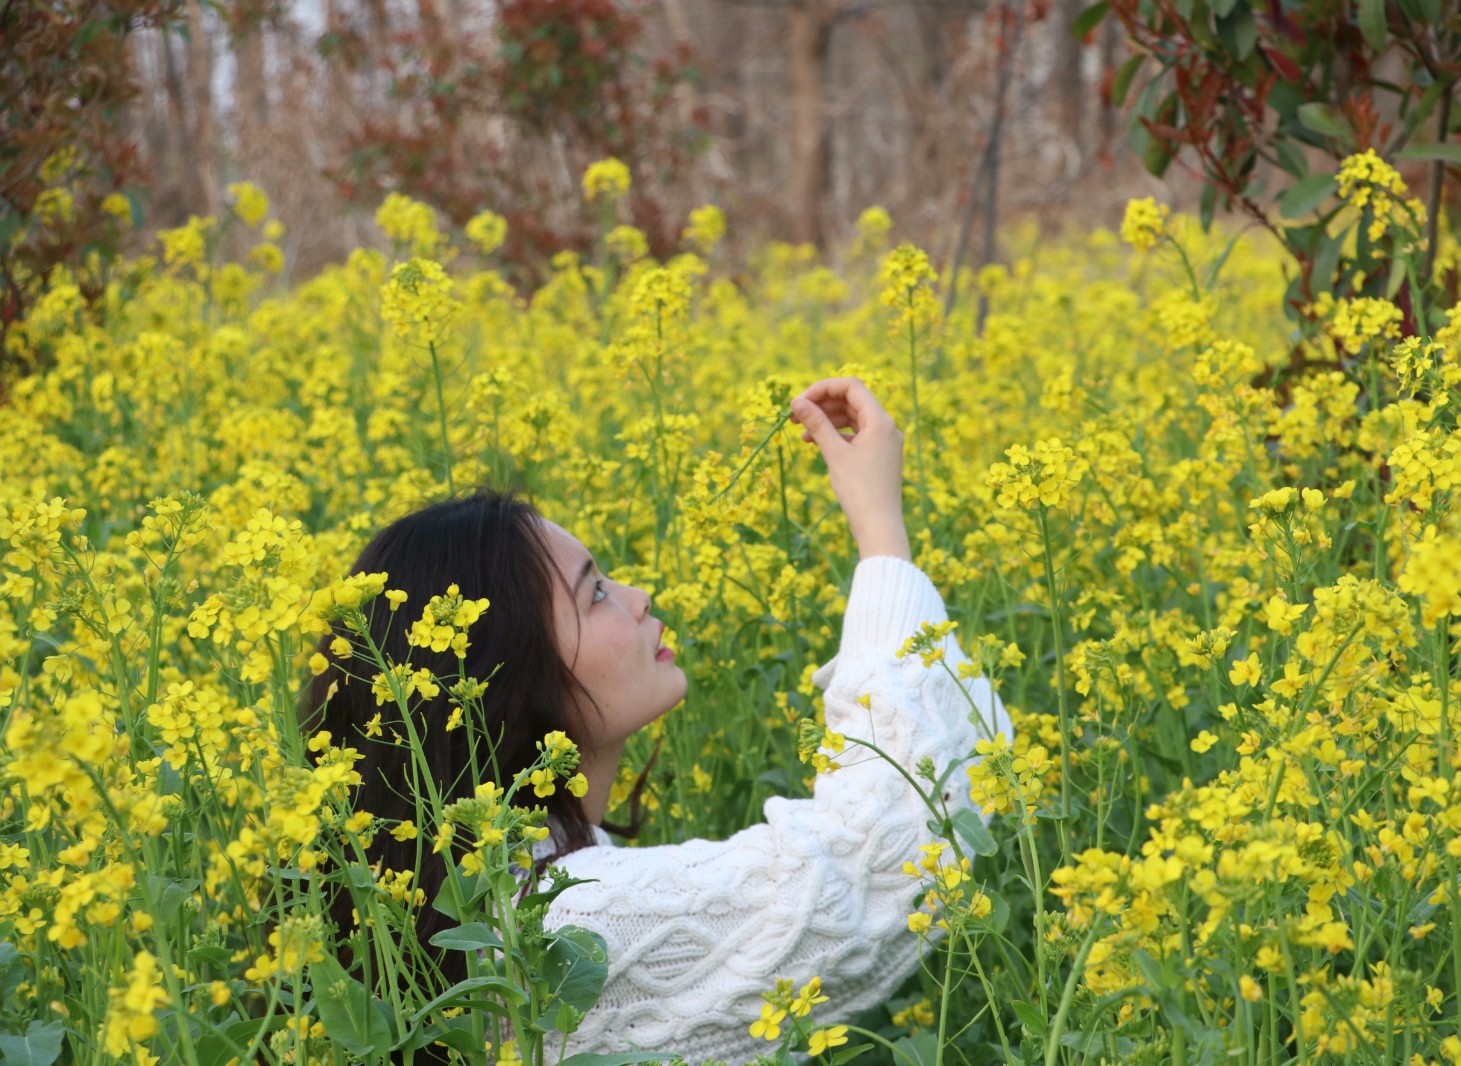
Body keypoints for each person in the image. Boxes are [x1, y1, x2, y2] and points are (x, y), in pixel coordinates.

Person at [304, 377, 1010, 1064]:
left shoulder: (485, 903)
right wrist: (880, 529)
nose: (639, 597)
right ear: (504, 683)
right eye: (597, 593)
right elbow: (887, 864)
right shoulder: (564, 930)